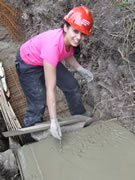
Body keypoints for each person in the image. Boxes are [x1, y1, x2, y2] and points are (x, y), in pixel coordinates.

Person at [15, 5, 94, 142]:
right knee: (38, 102)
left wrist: (79, 68)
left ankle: (79, 114)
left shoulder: (69, 40)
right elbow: (50, 89)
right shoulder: (52, 46)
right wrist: (53, 121)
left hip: (45, 58)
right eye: (76, 31)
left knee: (71, 85)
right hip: (28, 63)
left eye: (83, 34)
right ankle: (30, 139)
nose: (78, 37)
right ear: (65, 27)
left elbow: (67, 53)